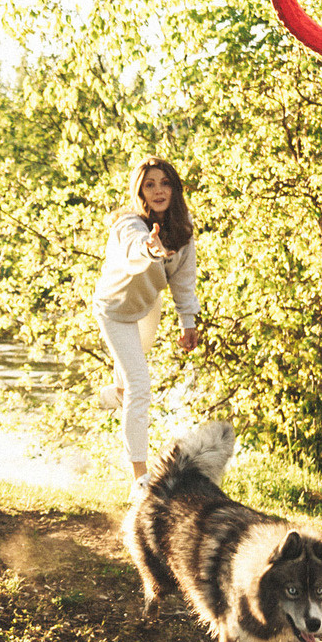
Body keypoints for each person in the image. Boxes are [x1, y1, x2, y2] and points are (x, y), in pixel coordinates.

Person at [90, 154, 201, 500]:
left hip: (147, 307)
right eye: (150, 185)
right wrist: (151, 249)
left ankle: (114, 394)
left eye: (165, 183)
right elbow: (134, 252)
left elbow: (183, 279)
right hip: (114, 311)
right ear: (140, 191)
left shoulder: (182, 229)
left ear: (175, 189)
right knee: (140, 386)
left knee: (130, 388)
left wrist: (188, 321)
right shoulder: (128, 224)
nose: (158, 191)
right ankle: (140, 482)